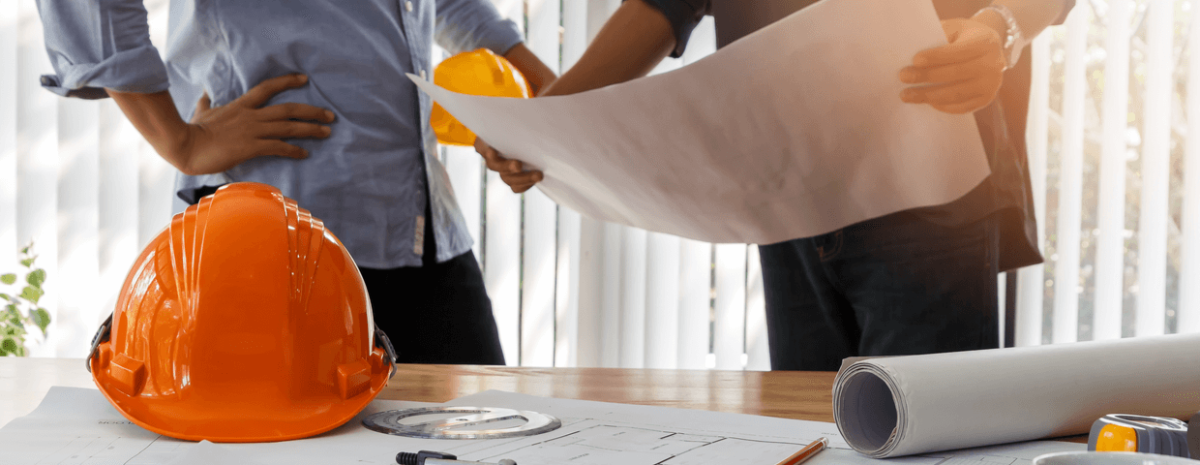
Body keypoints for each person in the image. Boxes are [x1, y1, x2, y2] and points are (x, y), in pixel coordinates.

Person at [476, 0, 1075, 370]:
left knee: (924, 442)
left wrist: (1001, 31)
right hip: (790, 189)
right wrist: (543, 123)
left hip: (929, 183)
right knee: (809, 435)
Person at [35, 0, 557, 365]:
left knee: (486, 442)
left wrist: (555, 98)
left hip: (421, 226)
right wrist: (177, 141)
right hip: (271, 232)